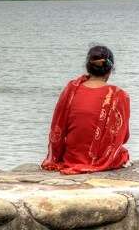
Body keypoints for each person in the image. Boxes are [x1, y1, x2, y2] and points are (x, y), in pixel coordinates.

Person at [42, 45, 130, 174]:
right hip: (100, 159)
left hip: (70, 158)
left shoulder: (72, 89)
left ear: (88, 67)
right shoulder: (118, 95)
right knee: (123, 154)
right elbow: (124, 137)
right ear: (110, 70)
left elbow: (59, 129)